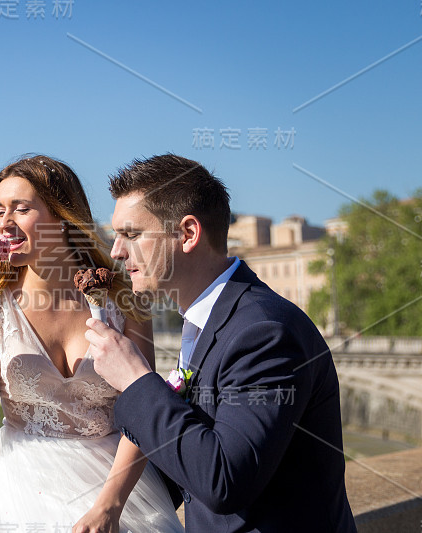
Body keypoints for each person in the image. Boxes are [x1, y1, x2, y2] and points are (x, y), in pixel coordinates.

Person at [85, 154, 358, 532]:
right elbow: (191, 456)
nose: (116, 250)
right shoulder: (207, 321)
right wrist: (106, 501)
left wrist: (135, 379)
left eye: (131, 234)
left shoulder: (263, 333)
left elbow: (224, 480)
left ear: (188, 234)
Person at [0, 155, 184, 532]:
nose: (5, 223)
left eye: (21, 209)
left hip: (118, 490)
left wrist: (109, 506)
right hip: (21, 490)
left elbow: (144, 411)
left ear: (62, 216)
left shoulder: (124, 299)